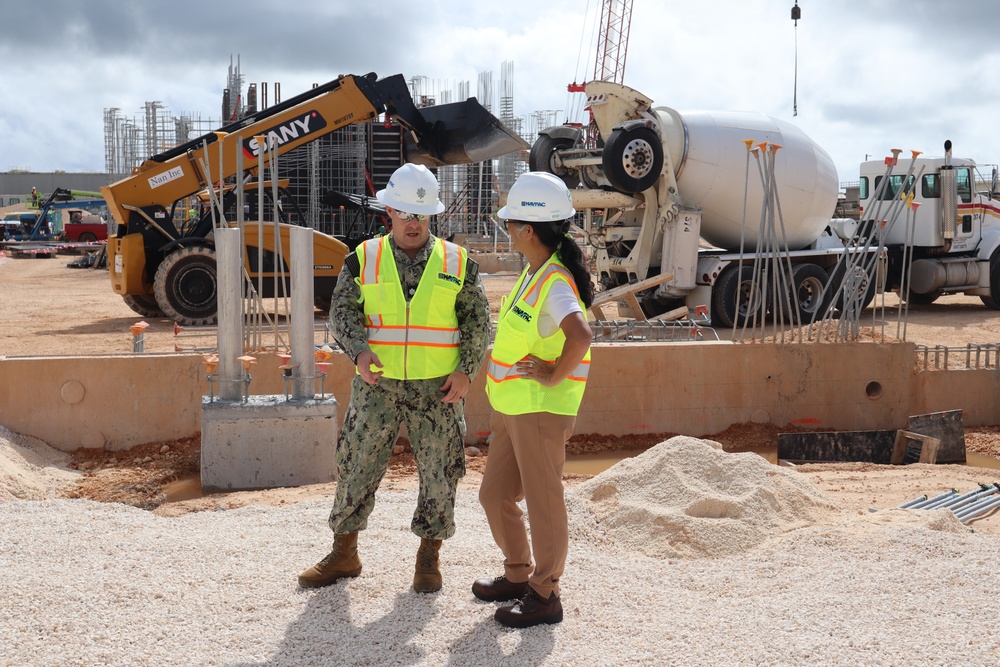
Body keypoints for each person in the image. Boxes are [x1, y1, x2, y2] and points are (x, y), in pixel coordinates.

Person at [299, 163, 491, 593]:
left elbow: (478, 320)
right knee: (356, 465)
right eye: (405, 214)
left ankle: (428, 559)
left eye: (420, 215)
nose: (412, 223)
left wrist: (466, 371)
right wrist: (360, 352)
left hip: (438, 390)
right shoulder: (363, 258)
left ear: (432, 216)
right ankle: (344, 553)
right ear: (390, 212)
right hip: (377, 386)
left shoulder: (458, 263)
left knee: (441, 472)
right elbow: (342, 311)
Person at [472, 171, 594, 628]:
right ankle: (519, 574)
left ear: (528, 229)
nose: (506, 229)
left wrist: (552, 373)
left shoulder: (556, 281)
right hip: (513, 407)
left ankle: (545, 594)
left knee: (544, 503)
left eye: (510, 222)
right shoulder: (534, 272)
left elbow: (581, 335)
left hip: (540, 410)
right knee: (493, 495)